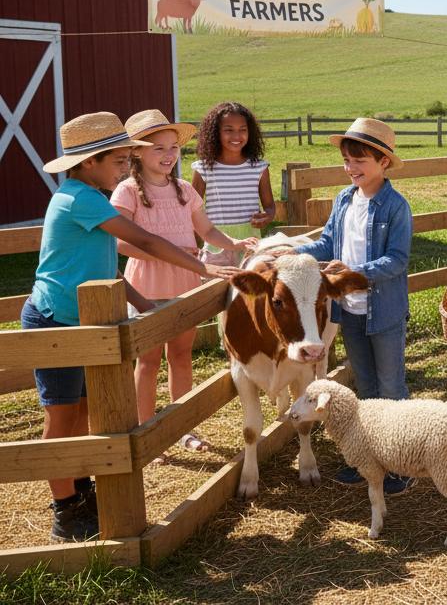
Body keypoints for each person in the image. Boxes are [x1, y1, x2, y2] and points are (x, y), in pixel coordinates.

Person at [26, 112, 241, 542]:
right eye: (119, 161)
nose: (125, 168)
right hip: (57, 319)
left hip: (87, 318)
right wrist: (202, 267)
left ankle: (80, 491)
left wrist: (144, 307)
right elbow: (144, 241)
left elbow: (105, 268)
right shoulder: (80, 198)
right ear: (89, 162)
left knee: (85, 411)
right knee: (62, 417)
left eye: (127, 160)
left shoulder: (90, 196)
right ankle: (65, 511)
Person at [112, 110, 255, 459]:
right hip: (147, 286)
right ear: (137, 152)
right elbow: (119, 242)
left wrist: (233, 243)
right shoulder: (128, 191)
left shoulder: (185, 190)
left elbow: (206, 230)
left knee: (180, 355)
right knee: (147, 361)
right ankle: (146, 430)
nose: (168, 155)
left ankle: (182, 428)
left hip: (185, 285)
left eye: (173, 147)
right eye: (158, 148)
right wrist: (169, 253)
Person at [288, 118, 415, 497]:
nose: (351, 168)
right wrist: (291, 249)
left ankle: (402, 462)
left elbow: (397, 260)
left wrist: (354, 271)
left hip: (384, 312)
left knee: (391, 386)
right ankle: (370, 458)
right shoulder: (345, 200)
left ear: (383, 162)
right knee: (366, 385)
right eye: (347, 160)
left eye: (359, 160)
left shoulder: (396, 207)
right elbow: (327, 243)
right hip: (350, 311)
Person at [191, 102, 275, 266]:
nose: (237, 136)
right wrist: (194, 244)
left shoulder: (259, 168)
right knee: (214, 282)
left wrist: (268, 216)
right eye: (229, 130)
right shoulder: (203, 168)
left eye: (242, 130)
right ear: (216, 132)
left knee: (251, 282)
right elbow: (192, 211)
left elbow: (270, 206)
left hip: (251, 243)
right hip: (216, 243)